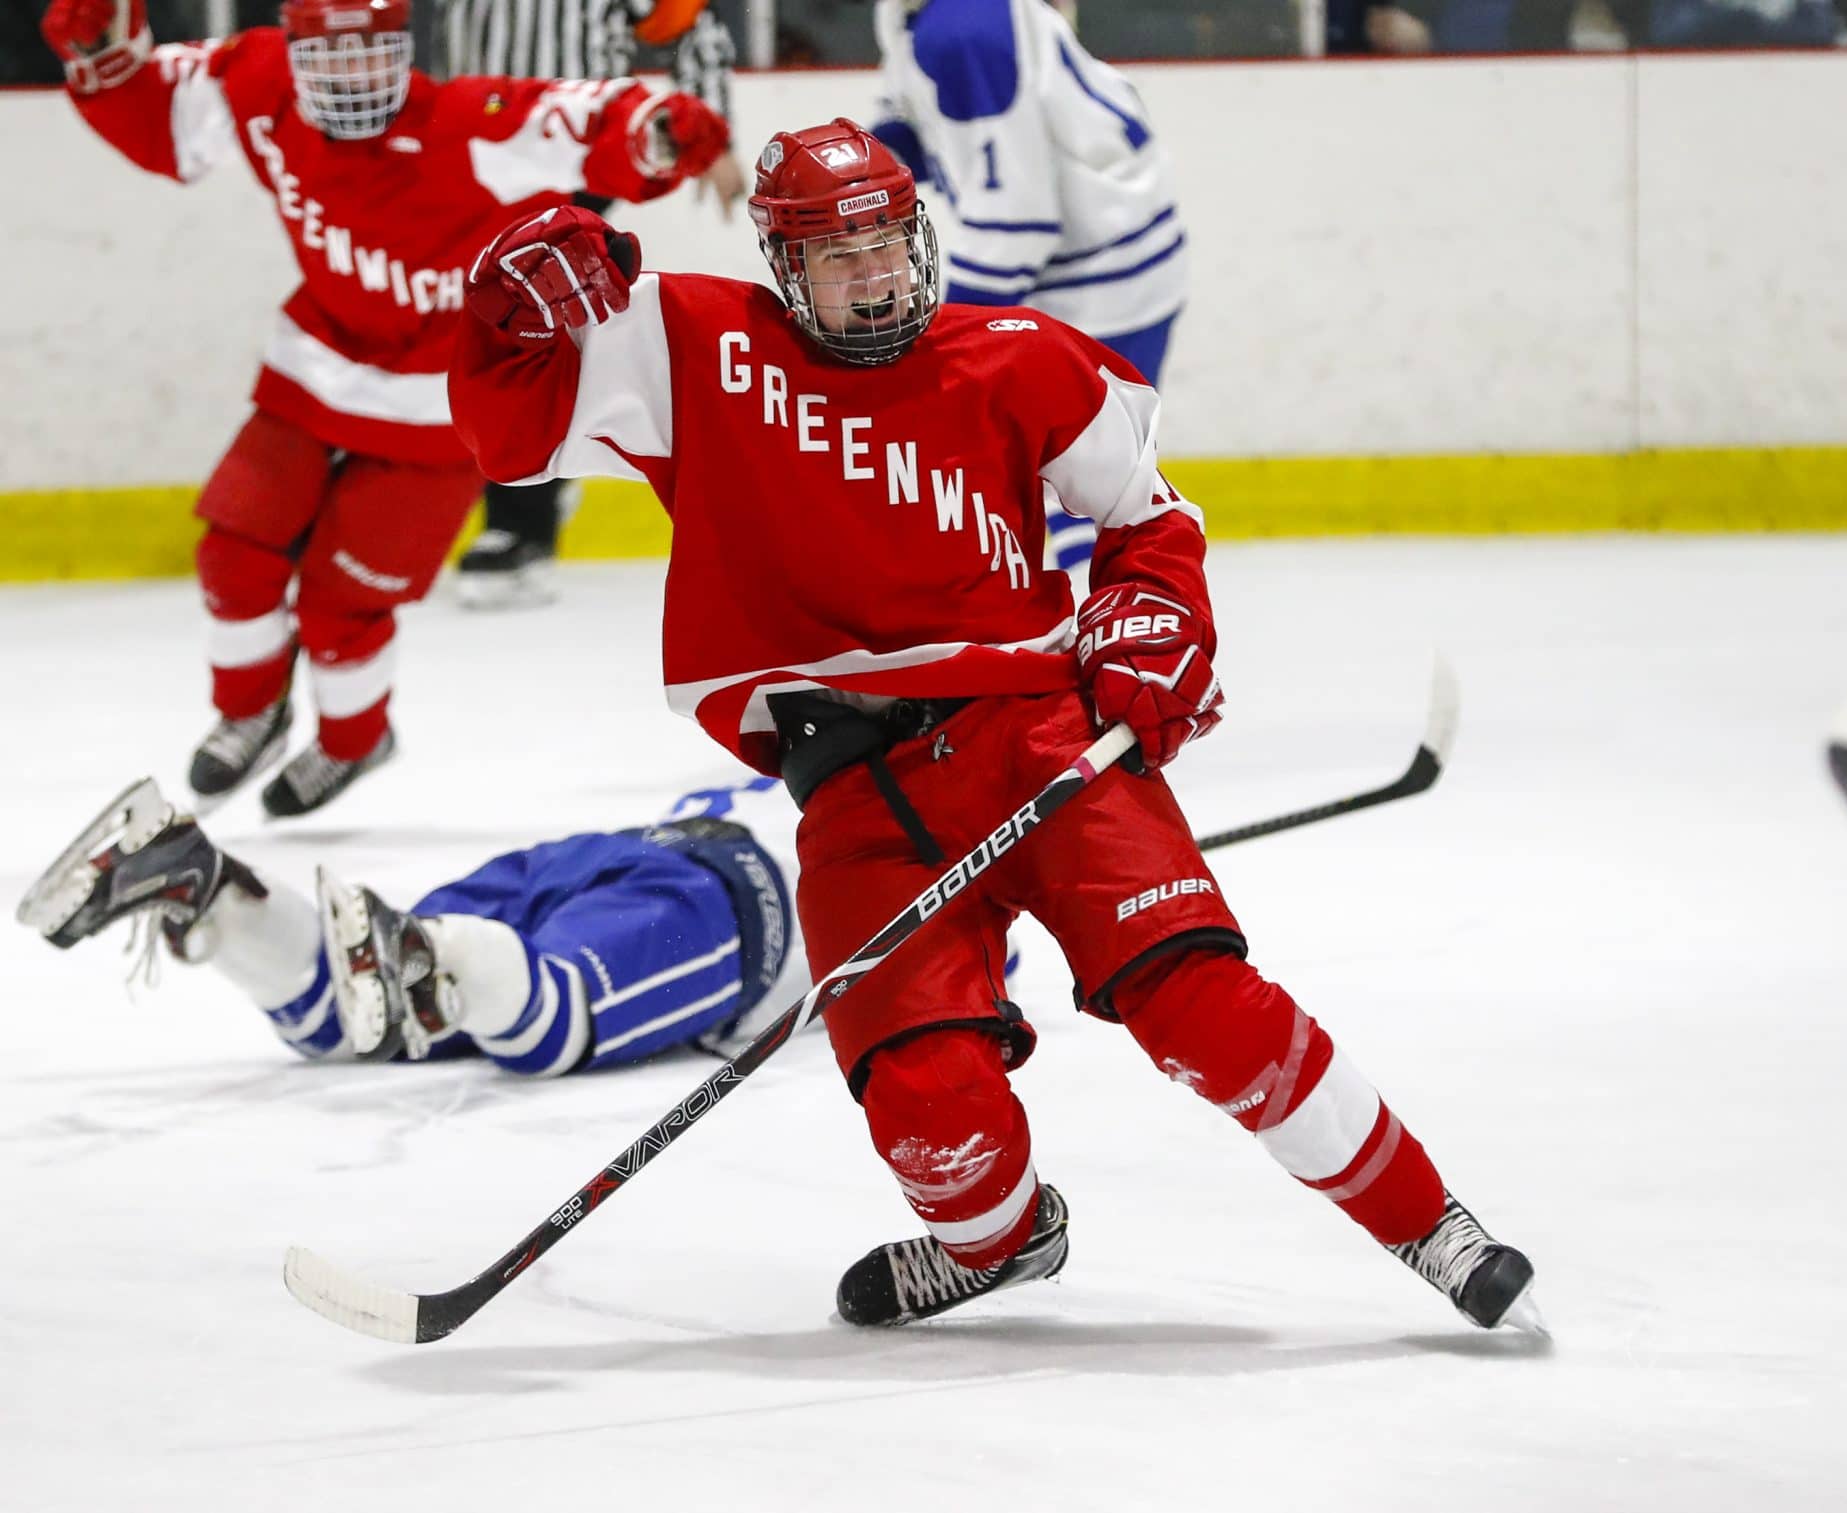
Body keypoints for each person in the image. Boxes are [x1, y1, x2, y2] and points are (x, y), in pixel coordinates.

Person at [445, 119, 1539, 1332]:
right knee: (925, 1103)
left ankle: (1428, 1222)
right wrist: (500, 305)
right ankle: (997, 1244)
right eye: (837, 256)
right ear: (783, 265)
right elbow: (505, 431)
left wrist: (1153, 616)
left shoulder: (1018, 357)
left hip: (1040, 737)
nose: (873, 278)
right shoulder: (690, 344)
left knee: (1203, 1007)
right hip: (855, 786)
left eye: (886, 245)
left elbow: (1147, 519)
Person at [39, 0, 728, 816]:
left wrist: (660, 130)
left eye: (371, 52)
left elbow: (580, 117)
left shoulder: (464, 123)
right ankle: (249, 709)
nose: (354, 78)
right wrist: (101, 57)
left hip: (440, 403)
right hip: (316, 366)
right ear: (295, 53)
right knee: (233, 553)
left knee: (342, 605)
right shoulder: (259, 82)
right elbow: (163, 111)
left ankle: (354, 737)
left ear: (405, 46)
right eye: (331, 57)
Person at [18, 774, 803, 1073]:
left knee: (356, 1014)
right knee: (551, 1018)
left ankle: (206, 884)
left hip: (610, 850)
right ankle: (438, 952)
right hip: (734, 891)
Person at [429, 0, 749, 607]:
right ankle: (535, 487)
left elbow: (689, 22)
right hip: (476, 147)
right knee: (487, 313)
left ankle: (522, 519)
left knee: (532, 299)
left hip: (579, 149)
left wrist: (709, 133)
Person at [870, 0, 1187, 578]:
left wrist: (940, 347)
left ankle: (1124, 622)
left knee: (1080, 479)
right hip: (1107, 259)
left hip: (1100, 282)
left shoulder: (964, 29)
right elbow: (920, 124)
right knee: (1062, 476)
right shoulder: (924, 16)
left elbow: (1017, 224)